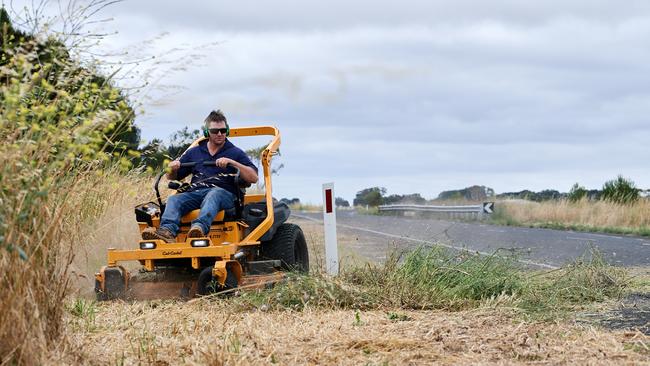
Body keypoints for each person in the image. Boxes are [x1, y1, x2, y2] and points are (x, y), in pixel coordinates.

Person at [142, 110, 258, 242]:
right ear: (207, 132)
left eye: (223, 130)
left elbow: (253, 178)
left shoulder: (235, 152)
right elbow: (172, 177)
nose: (220, 134)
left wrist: (232, 163)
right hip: (196, 193)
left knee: (214, 193)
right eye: (215, 131)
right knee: (174, 199)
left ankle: (199, 229)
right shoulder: (194, 152)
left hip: (225, 195)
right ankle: (167, 231)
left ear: (227, 130)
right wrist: (172, 169)